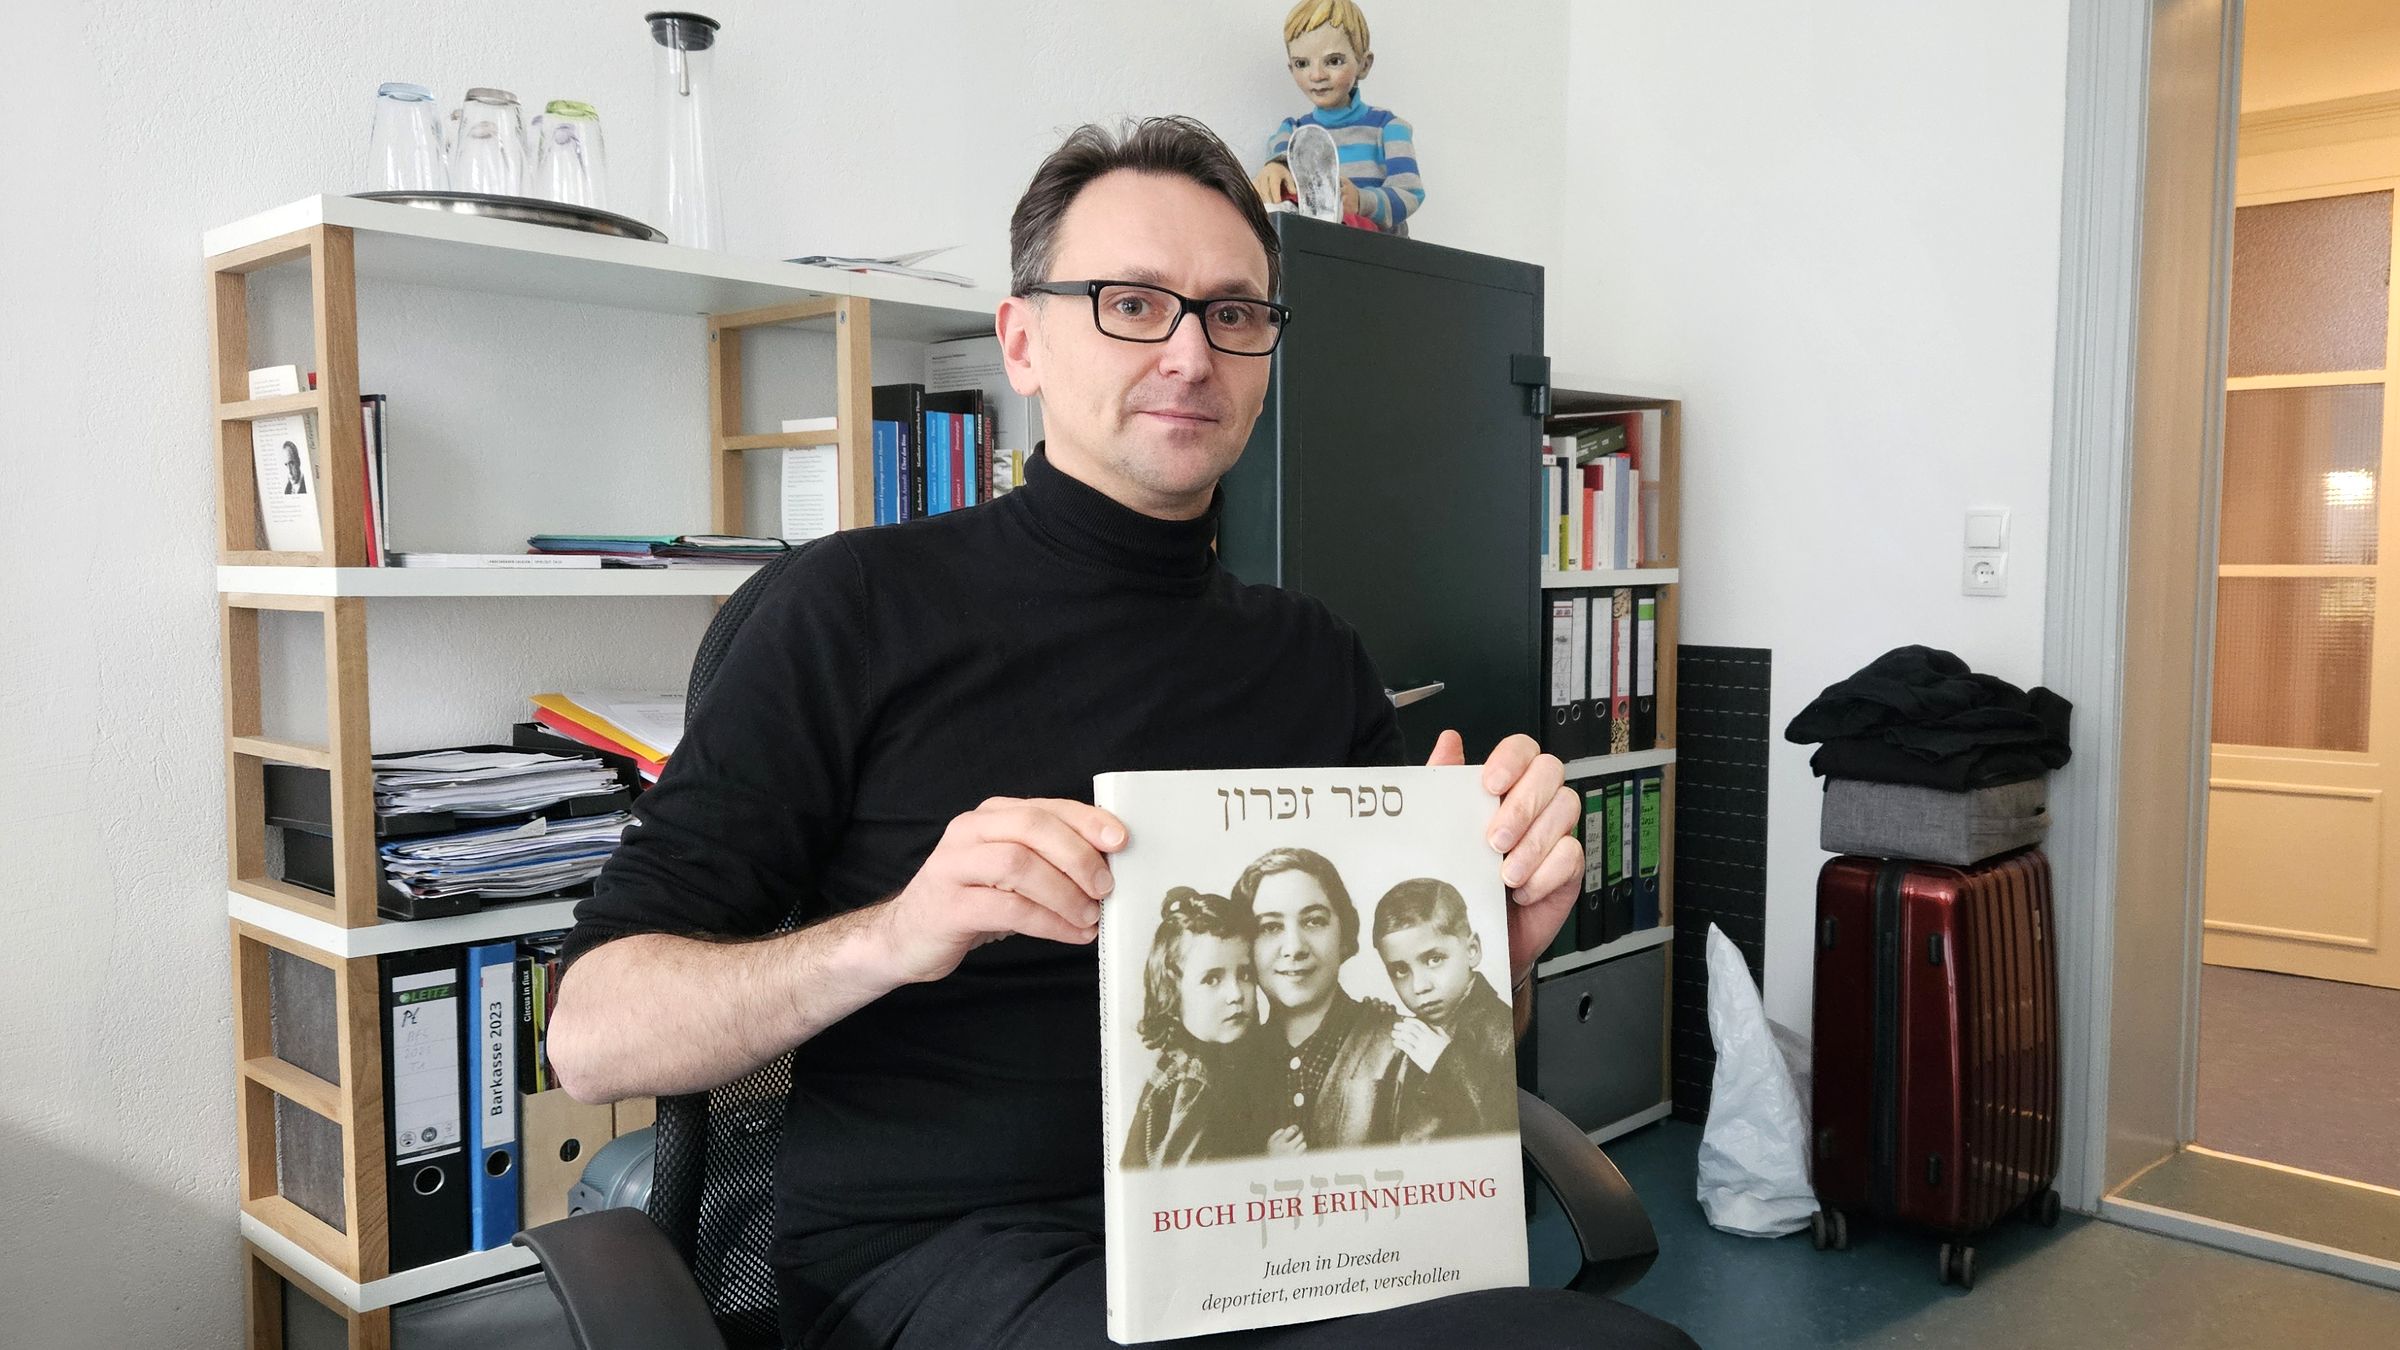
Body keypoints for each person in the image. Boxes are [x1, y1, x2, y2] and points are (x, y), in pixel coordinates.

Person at [546, 116, 1691, 1350]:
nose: (1192, 354)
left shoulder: (1311, 656)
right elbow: (593, 1035)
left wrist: (1493, 961)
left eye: (1234, 314)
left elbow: (1426, 1038)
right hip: (946, 1258)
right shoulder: (849, 611)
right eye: (1133, 303)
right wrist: (894, 935)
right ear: (1024, 340)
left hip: (1284, 1232)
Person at [1233, 846, 1418, 1151]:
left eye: (1314, 921)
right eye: (1270, 927)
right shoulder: (1231, 1065)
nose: (1294, 947)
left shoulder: (1406, 1049)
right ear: (1244, 947)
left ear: (1344, 934)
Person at [1121, 886, 1278, 1169]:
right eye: (1212, 979)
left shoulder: (1208, 1059)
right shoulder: (1193, 1082)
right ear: (1172, 991)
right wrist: (1270, 1162)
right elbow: (1191, 1193)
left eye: (1244, 974)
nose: (1235, 994)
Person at [1252, 0, 1426, 235]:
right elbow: (1278, 165)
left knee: (1348, 227)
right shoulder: (1293, 131)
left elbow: (1410, 192)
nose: (1317, 75)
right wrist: (1273, 171)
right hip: (1313, 246)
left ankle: (1335, 220)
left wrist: (1362, 200)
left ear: (1364, 65)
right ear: (1291, 69)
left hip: (1372, 251)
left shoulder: (1389, 128)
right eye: (1302, 64)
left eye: (1334, 61)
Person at [1374, 877, 1517, 1138]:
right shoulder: (1411, 1028)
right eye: (1400, 970)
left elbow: (1503, 1128)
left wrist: (1445, 1063)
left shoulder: (1501, 1030)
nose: (1419, 986)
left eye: (1434, 959)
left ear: (1472, 950)